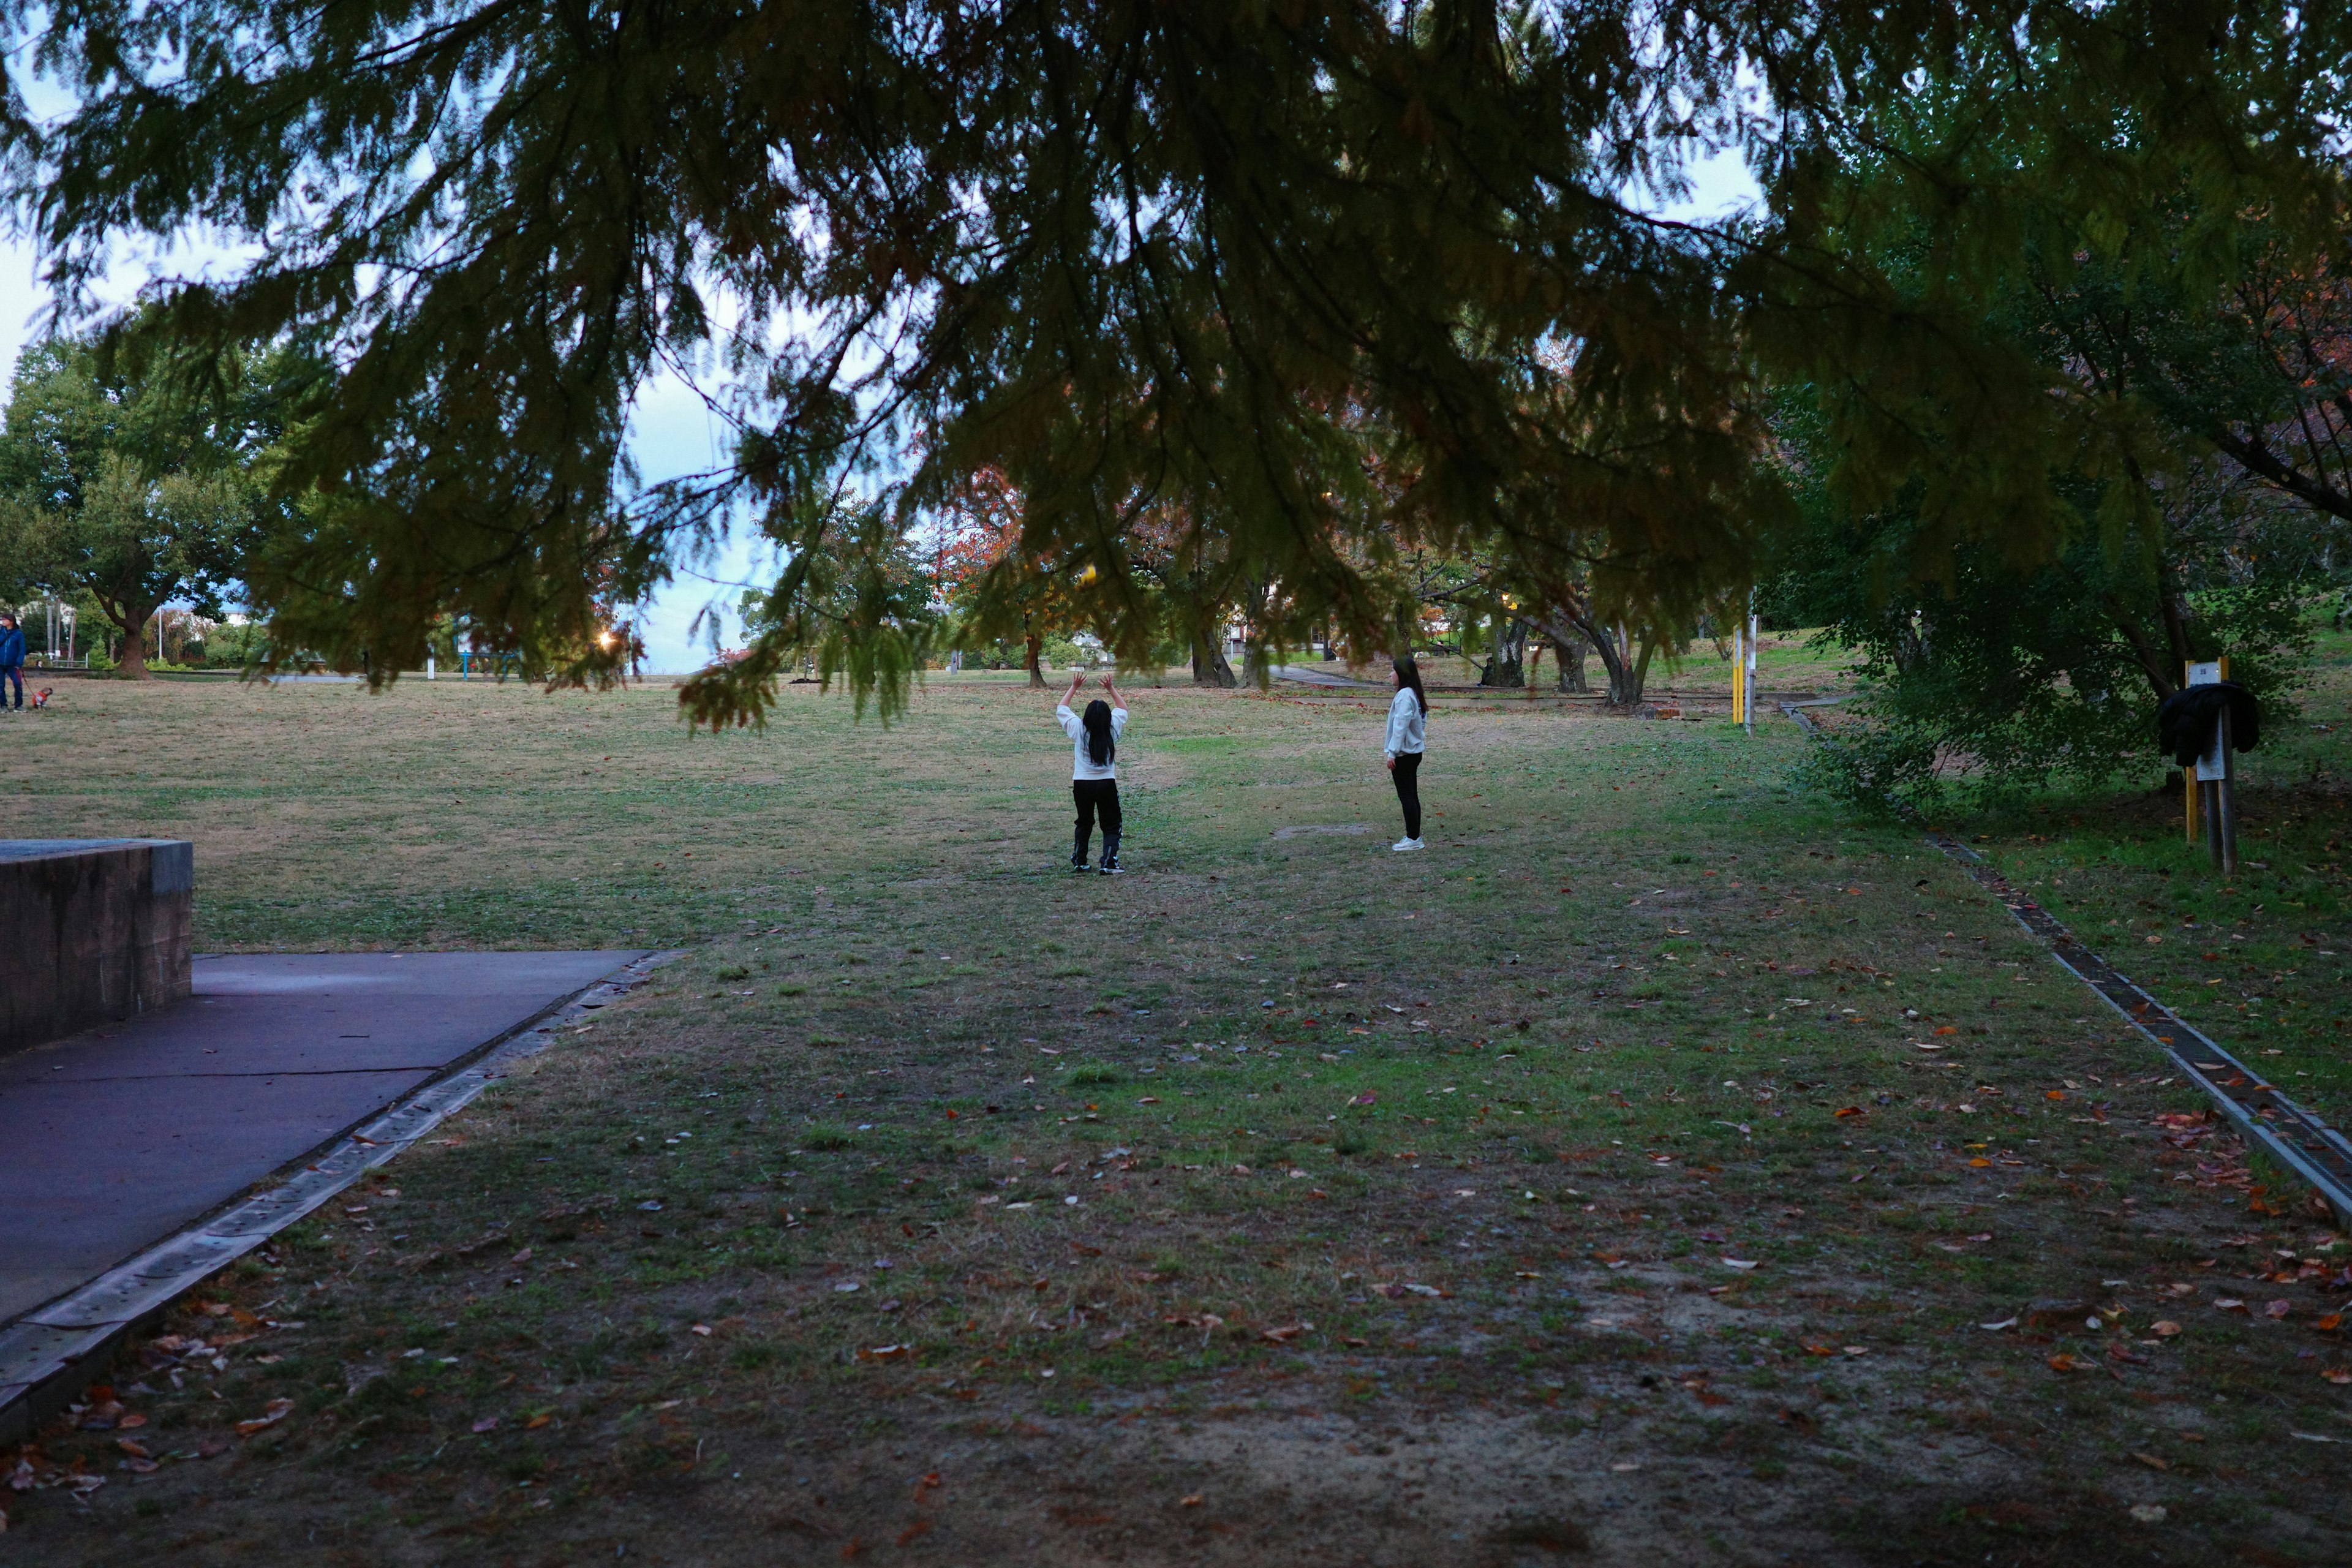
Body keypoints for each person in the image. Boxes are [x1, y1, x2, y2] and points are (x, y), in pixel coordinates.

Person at [1056, 672, 1129, 874]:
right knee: (1111, 825)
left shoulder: (1078, 728)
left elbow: (1062, 709)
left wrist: (1074, 687)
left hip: (1082, 783)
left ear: (1086, 717)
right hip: (1107, 783)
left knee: (1084, 822)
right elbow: (1123, 709)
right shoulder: (1113, 728)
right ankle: (1109, 862)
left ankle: (1080, 861)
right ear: (1108, 718)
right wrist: (1111, 689)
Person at [1383, 654, 1427, 851]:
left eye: (1393, 670)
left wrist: (1392, 752)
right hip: (1414, 752)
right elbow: (1422, 719)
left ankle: (1413, 839)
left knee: (1407, 796)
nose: (1390, 674)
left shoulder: (1404, 695)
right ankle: (1414, 836)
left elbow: (1400, 725)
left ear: (1401, 673)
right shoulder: (1414, 693)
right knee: (1412, 795)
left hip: (1404, 755)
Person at [0, 613, 24, 712]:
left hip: (13, 665)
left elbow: (22, 649)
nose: (3, 621)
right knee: (1, 686)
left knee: (18, 684)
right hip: (0, 664)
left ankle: (18, 705)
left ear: (11, 621)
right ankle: (3, 705)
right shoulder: (1, 633)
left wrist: (19, 662)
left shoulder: (18, 634)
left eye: (5, 619)